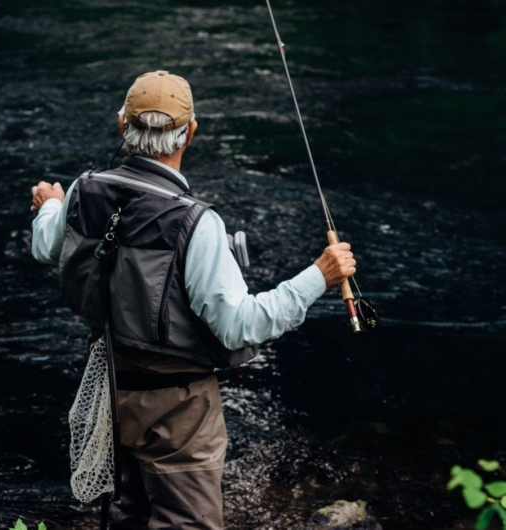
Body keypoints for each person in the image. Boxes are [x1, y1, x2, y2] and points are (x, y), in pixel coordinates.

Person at [30, 70, 356, 530]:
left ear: (122, 125)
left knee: (128, 517)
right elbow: (240, 326)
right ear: (192, 132)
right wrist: (318, 277)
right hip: (178, 408)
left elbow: (47, 246)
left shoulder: (84, 190)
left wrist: (50, 202)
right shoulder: (196, 223)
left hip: (111, 388)